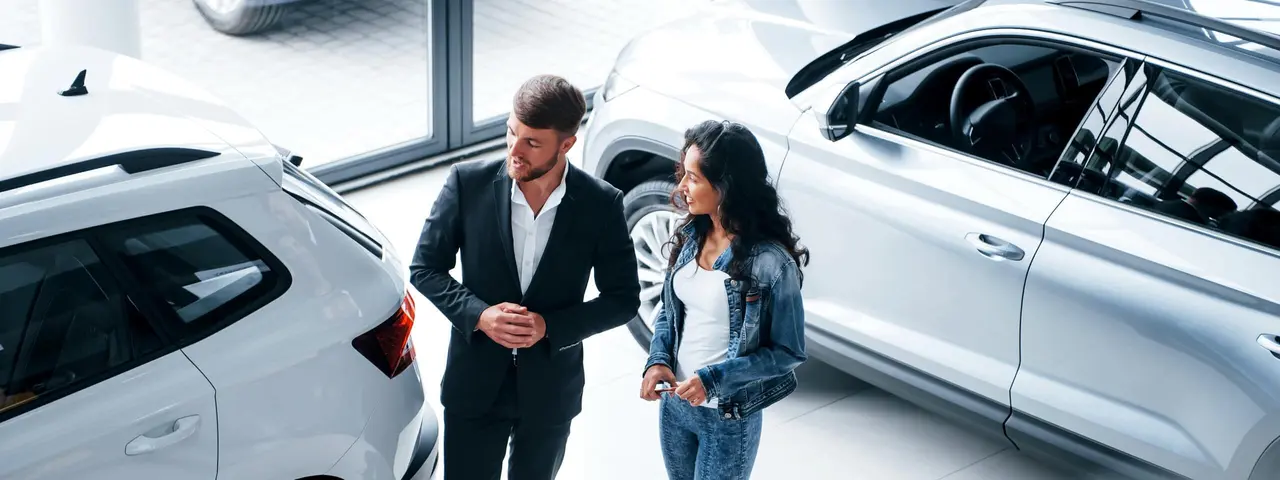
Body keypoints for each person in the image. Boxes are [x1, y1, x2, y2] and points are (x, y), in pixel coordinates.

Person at [410, 74, 641, 480]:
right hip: (474, 387)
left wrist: (550, 327)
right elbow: (425, 268)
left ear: (566, 144)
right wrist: (480, 315)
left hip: (551, 393)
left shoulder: (601, 204)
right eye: (511, 133)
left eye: (532, 143)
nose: (514, 151)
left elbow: (623, 298)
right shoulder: (467, 184)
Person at [638, 120, 809, 480]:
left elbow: (788, 352)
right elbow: (671, 312)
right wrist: (657, 361)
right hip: (675, 404)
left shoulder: (771, 263)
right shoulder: (690, 234)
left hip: (727, 415)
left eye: (694, 178)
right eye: (683, 174)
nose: (682, 187)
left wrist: (713, 380)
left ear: (726, 187)